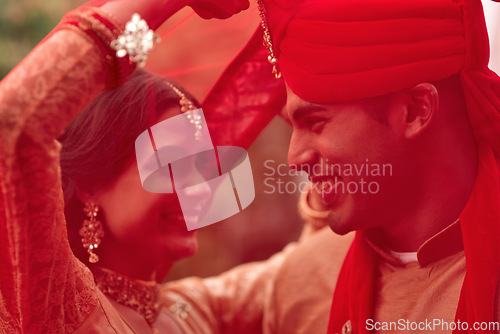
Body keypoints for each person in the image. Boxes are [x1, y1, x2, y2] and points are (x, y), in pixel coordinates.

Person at [232, 0, 500, 333]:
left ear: (415, 111)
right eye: (292, 128)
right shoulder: (304, 278)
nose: (294, 157)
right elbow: (154, 311)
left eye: (315, 122)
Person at [0, 0, 263, 332]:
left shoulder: (197, 312)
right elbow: (12, 126)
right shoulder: (58, 304)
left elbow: (313, 268)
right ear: (92, 183)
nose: (200, 189)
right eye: (172, 164)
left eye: (204, 166)